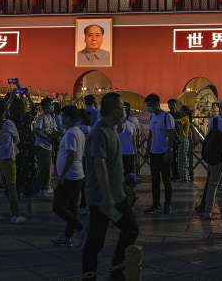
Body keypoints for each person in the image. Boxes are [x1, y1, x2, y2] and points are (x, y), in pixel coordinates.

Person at [82, 92, 139, 280]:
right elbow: (100, 165)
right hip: (102, 199)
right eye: (121, 107)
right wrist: (106, 198)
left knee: (130, 229)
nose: (124, 110)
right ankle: (90, 276)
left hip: (117, 196)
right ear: (114, 110)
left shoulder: (111, 128)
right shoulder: (99, 132)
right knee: (95, 242)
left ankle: (117, 269)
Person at [50, 105, 87, 248]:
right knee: (72, 208)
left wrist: (62, 174)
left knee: (58, 206)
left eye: (64, 116)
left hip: (70, 176)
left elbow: (71, 155)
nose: (62, 119)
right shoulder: (77, 131)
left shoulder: (72, 133)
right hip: (77, 174)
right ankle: (67, 236)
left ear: (70, 118)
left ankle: (80, 228)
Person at [0, 100, 25, 223]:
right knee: (11, 186)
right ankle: (15, 214)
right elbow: (17, 139)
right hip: (8, 157)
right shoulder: (9, 123)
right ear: (6, 110)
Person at [144, 93, 174, 215]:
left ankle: (167, 205)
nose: (148, 107)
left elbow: (171, 134)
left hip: (164, 153)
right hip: (153, 153)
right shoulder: (152, 118)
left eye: (149, 105)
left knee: (166, 180)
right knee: (155, 180)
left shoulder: (166, 117)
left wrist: (168, 151)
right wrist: (147, 150)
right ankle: (156, 204)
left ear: (156, 103)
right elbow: (150, 135)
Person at [34, 97, 57, 199]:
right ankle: (41, 189)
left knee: (48, 168)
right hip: (41, 145)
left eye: (52, 104)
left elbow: (54, 130)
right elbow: (37, 131)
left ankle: (44, 187)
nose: (51, 106)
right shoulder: (41, 117)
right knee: (44, 168)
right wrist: (46, 139)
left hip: (49, 146)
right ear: (44, 107)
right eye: (49, 105)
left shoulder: (51, 118)